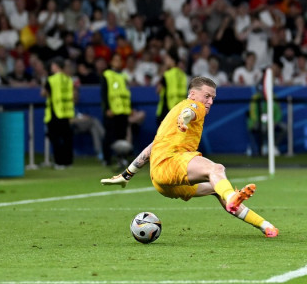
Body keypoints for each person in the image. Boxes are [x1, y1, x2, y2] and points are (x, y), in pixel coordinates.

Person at [101, 77, 278, 238]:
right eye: (207, 96)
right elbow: (189, 112)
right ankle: (232, 197)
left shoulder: (171, 115)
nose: (210, 102)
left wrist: (126, 175)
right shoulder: (194, 105)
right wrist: (185, 119)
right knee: (216, 169)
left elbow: (151, 148)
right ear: (193, 94)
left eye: (213, 98)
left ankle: (265, 226)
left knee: (217, 188)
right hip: (170, 164)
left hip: (160, 181)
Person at [42, 59, 78, 169]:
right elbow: (74, 96)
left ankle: (59, 162)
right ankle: (68, 162)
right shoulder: (68, 80)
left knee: (55, 138)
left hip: (55, 112)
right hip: (66, 112)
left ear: (56, 66)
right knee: (67, 139)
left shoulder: (51, 79)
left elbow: (44, 93)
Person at [101, 54, 132, 166]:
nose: (118, 62)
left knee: (122, 137)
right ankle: (106, 159)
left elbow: (126, 94)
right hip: (112, 111)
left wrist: (129, 108)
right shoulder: (107, 75)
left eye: (120, 60)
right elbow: (104, 93)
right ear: (111, 62)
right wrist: (107, 108)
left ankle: (121, 158)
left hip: (123, 111)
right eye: (116, 60)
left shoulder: (124, 76)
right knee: (109, 136)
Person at [156, 52, 189, 126]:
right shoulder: (183, 75)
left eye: (167, 59)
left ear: (172, 60)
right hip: (180, 111)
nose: (165, 61)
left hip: (166, 110)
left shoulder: (167, 74)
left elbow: (158, 90)